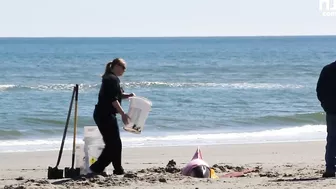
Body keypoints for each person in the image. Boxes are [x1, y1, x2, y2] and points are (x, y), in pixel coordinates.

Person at [89, 58, 135, 175]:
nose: (124, 70)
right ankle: (96, 167)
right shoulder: (111, 79)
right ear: (115, 66)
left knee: (115, 143)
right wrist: (123, 114)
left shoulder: (111, 78)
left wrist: (128, 95)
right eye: (123, 67)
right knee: (113, 145)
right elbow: (113, 100)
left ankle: (118, 169)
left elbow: (117, 95)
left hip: (103, 114)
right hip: (104, 114)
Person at [316, 60, 336, 178]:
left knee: (332, 139)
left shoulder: (327, 69)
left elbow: (320, 90)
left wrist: (325, 105)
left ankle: (330, 168)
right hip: (332, 109)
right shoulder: (327, 69)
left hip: (332, 110)